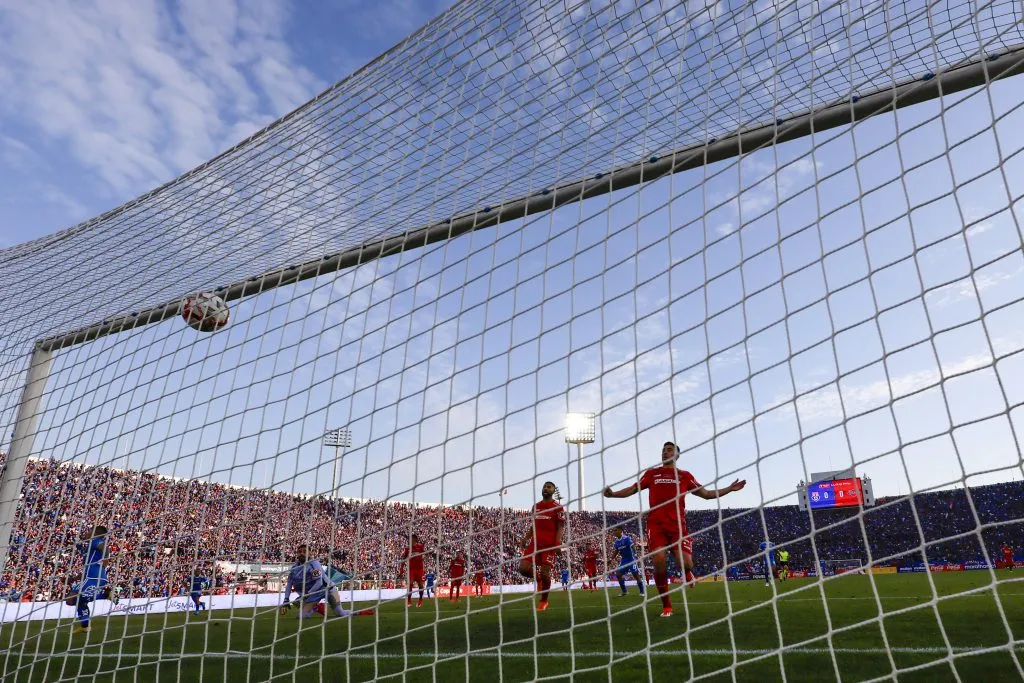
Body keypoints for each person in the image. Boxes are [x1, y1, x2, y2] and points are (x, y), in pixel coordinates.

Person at [604, 441, 745, 618]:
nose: (665, 452)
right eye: (663, 450)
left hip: (678, 527)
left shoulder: (684, 476)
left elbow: (707, 494)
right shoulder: (652, 474)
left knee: (686, 563)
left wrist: (730, 489)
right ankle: (667, 606)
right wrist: (613, 494)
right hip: (656, 526)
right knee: (659, 561)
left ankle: (688, 572)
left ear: (677, 455)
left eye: (669, 450)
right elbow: (633, 489)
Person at [279, 544, 374, 619]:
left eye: (305, 551)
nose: (302, 553)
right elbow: (289, 583)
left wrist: (304, 596)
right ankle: (316, 607)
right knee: (300, 616)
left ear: (310, 553)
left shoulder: (314, 564)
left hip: (329, 589)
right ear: (297, 554)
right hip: (314, 594)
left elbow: (319, 583)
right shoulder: (295, 568)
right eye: (299, 552)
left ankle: (360, 612)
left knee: (340, 613)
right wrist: (286, 599)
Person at [518, 481, 566, 612]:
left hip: (549, 545)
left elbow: (561, 526)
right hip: (535, 544)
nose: (546, 488)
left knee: (545, 572)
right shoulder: (535, 507)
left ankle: (544, 600)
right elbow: (533, 525)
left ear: (553, 490)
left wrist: (557, 544)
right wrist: (525, 538)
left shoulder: (558, 507)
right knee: (522, 569)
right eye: (544, 486)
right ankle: (537, 579)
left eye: (549, 487)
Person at [65, 525, 110, 635]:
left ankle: (106, 595)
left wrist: (105, 562)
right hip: (93, 576)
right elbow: (87, 568)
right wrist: (75, 578)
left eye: (89, 531)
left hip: (93, 576)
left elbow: (105, 548)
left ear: (95, 533)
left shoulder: (95, 541)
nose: (87, 533)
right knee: (80, 601)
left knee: (70, 599)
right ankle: (85, 626)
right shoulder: (90, 548)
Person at [612, 527, 645, 596]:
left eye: (616, 530)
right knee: (618, 574)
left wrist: (635, 554)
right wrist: (611, 559)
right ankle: (625, 591)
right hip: (624, 560)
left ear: (620, 530)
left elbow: (632, 546)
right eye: (614, 531)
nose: (614, 532)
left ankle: (642, 591)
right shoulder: (616, 542)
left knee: (635, 574)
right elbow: (616, 551)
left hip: (631, 559)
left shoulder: (626, 538)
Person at [401, 534, 427, 607]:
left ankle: (420, 600)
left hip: (419, 569)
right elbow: (403, 559)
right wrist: (401, 569)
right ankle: (409, 600)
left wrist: (423, 557)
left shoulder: (420, 547)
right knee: (410, 583)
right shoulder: (408, 549)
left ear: (415, 540)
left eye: (411, 539)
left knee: (421, 585)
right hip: (412, 569)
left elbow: (424, 554)